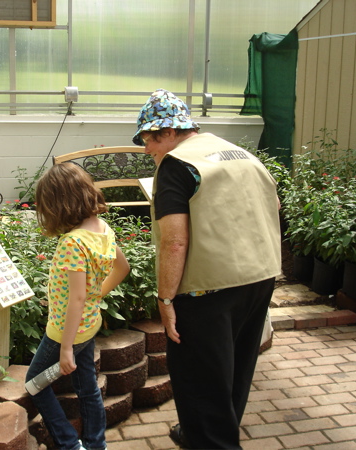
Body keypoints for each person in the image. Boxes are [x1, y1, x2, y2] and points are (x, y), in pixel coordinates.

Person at [133, 89, 281, 449]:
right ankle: (202, 434)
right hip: (258, 278)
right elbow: (273, 205)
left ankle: (211, 441)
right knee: (234, 372)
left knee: (200, 383)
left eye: (149, 139)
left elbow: (174, 242)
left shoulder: (176, 166)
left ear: (169, 132)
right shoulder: (243, 155)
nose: (147, 148)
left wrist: (166, 299)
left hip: (207, 292)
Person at [25, 162, 130, 450]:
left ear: (58, 204)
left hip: (65, 332)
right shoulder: (102, 229)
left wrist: (66, 347)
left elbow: (77, 298)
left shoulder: (72, 242)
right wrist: (97, 296)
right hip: (89, 324)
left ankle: (70, 445)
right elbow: (123, 268)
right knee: (88, 389)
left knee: (34, 383)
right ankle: (97, 445)